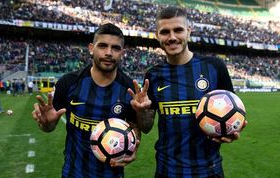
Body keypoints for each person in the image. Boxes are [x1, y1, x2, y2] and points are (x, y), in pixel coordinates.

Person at [138, 6, 247, 177]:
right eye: (165, 32)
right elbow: (145, 127)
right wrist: (141, 110)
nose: (172, 37)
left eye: (178, 30)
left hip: (209, 170)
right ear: (157, 35)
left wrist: (232, 131)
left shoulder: (214, 67)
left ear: (188, 31)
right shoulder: (153, 75)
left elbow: (233, 115)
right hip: (167, 171)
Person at [31, 23, 150, 178]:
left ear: (122, 53)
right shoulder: (68, 83)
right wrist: (47, 124)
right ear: (91, 48)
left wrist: (132, 146)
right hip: (73, 173)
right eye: (102, 46)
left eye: (115, 48)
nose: (109, 53)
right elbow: (48, 128)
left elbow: (135, 127)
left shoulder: (129, 89)